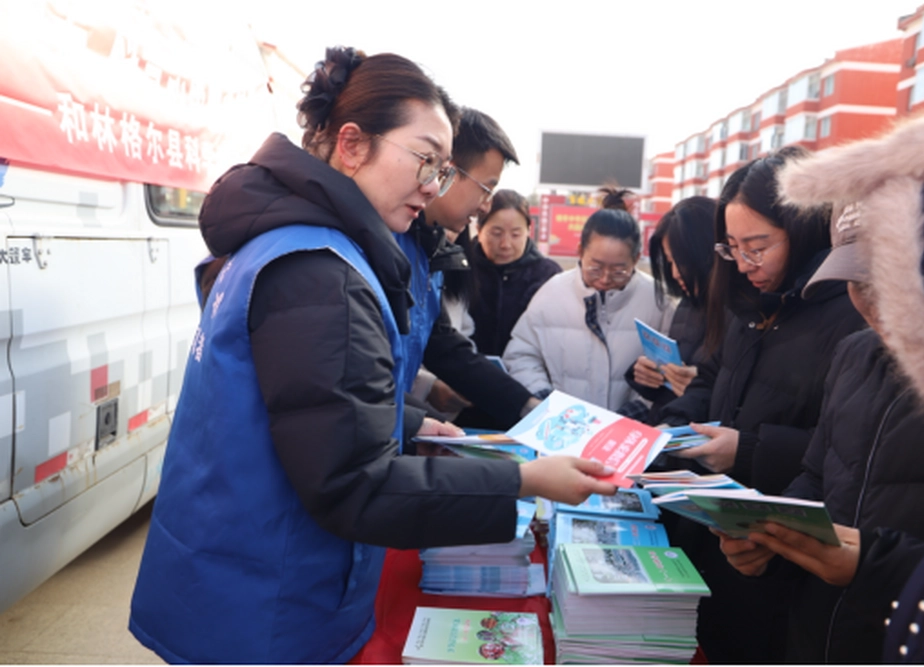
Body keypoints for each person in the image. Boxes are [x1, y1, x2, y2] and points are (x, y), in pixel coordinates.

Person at [128, 47, 617, 665]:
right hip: (270, 600)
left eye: (445, 170)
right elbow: (355, 484)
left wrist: (406, 422)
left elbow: (296, 398)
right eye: (426, 160)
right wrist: (525, 480)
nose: (434, 186)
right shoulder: (321, 272)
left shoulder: (287, 241)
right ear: (352, 144)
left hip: (227, 570)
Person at [734, 97, 924, 664]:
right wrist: (772, 532)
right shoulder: (854, 353)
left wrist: (872, 565)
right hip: (815, 632)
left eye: (890, 280)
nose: (873, 306)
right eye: (856, 282)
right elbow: (816, 472)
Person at [649, 146, 866, 663]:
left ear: (804, 229)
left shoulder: (851, 313)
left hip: (782, 557)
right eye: (732, 249)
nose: (745, 264)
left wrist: (748, 450)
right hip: (721, 534)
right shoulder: (749, 304)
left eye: (758, 247)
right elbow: (711, 378)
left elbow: (848, 452)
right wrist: (668, 428)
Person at [394, 107, 541, 432]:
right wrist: (423, 425)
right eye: (485, 189)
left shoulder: (425, 251)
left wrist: (526, 406)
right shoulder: (385, 246)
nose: (486, 205)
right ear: (448, 169)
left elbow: (443, 345)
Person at [503, 188, 674, 412]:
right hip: (561, 423)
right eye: (595, 268)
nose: (605, 278)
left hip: (629, 427)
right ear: (580, 251)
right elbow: (521, 355)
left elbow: (668, 373)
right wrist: (544, 401)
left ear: (635, 259)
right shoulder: (552, 293)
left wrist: (636, 412)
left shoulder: (657, 300)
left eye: (618, 271)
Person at [625, 196, 717, 421]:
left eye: (682, 261)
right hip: (669, 426)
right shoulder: (688, 304)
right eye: (669, 262)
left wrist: (701, 388)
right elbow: (676, 385)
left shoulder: (741, 313)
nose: (675, 273)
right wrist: (651, 375)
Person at [464, 189, 562, 357]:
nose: (505, 244)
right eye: (496, 233)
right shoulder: (461, 268)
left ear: (528, 232)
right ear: (479, 230)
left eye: (515, 234)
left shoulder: (548, 276)